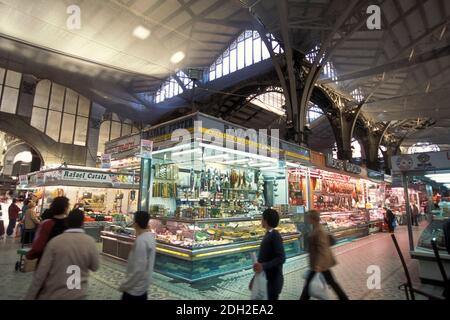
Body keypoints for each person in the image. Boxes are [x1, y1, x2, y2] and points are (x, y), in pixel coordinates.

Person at [25, 209, 99, 300]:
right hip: (78, 295)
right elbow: (95, 267)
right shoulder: (90, 242)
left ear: (67, 222)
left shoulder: (55, 242)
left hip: (55, 294)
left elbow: (41, 274)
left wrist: (30, 296)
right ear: (82, 223)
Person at [300, 210, 348, 300]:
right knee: (331, 282)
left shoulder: (319, 230)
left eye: (308, 217)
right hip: (319, 263)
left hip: (319, 264)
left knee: (310, 284)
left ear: (312, 219)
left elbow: (322, 248)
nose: (306, 219)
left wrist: (318, 265)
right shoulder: (316, 228)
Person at [119, 211, 156, 300]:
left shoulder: (141, 241)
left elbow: (138, 269)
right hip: (143, 287)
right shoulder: (150, 237)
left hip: (134, 289)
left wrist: (125, 285)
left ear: (136, 223)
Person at [253, 208, 286, 300]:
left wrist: (263, 266)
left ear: (266, 220)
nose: (261, 221)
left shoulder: (275, 235)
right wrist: (254, 279)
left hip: (272, 282)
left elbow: (281, 258)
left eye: (262, 218)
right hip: (266, 280)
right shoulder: (269, 234)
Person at [26, 196, 69, 261]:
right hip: (64, 262)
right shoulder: (69, 225)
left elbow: (38, 246)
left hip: (46, 261)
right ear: (65, 209)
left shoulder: (46, 224)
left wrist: (30, 255)